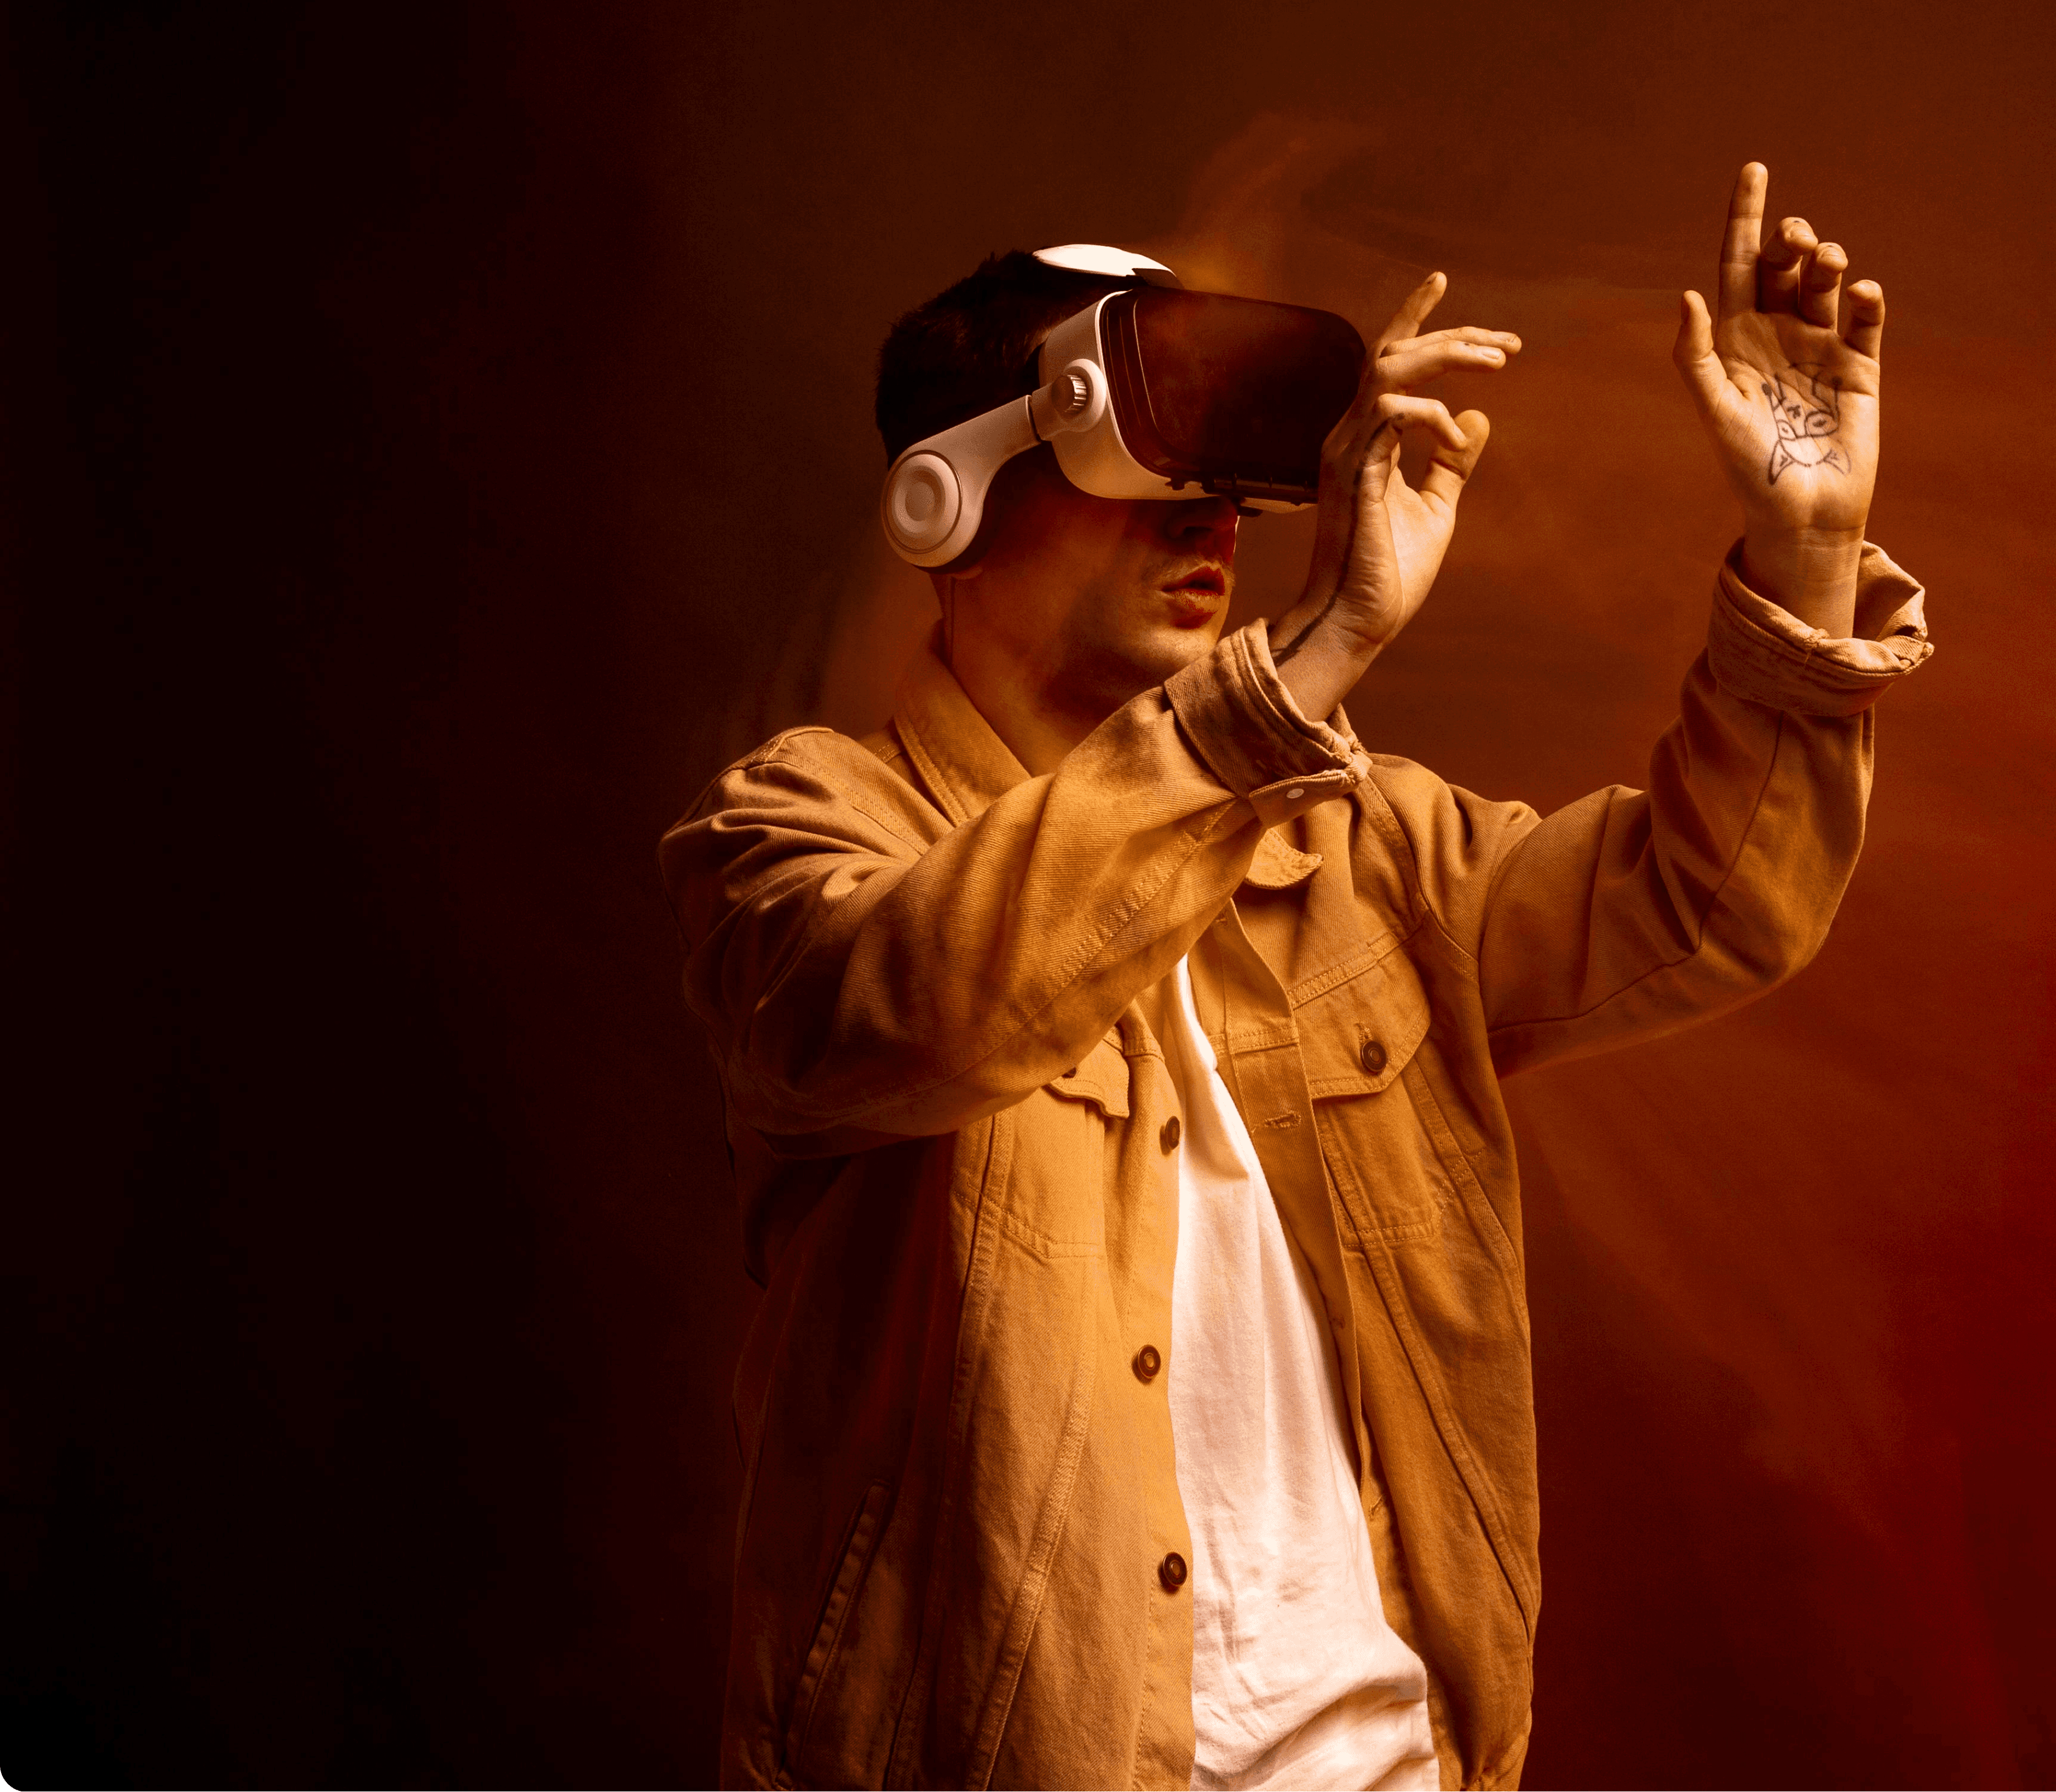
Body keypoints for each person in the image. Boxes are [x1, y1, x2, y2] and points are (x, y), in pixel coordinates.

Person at [659, 162, 1933, 1791]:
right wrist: (1306, 662)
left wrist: (1804, 547)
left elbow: (1714, 894)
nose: (1215, 522)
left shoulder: (1370, 856)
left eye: (1240, 477)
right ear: (946, 502)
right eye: (1141, 461)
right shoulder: (796, 833)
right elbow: (911, 1006)